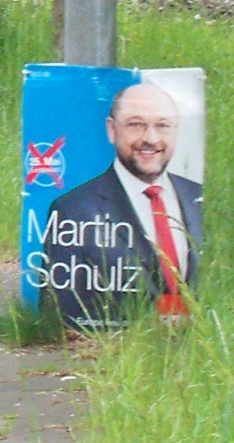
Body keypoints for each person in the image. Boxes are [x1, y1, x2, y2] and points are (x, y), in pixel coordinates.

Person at [42, 80, 204, 325]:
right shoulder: (73, 210)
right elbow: (63, 315)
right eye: (136, 125)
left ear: (176, 131)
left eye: (162, 125)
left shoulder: (199, 197)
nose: (151, 138)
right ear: (112, 130)